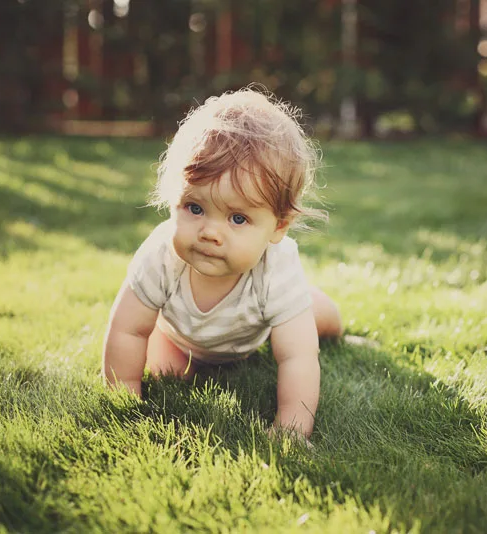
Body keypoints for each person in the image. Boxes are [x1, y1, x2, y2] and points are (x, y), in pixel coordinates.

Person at [102, 87, 342, 440]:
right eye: (195, 208)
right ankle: (191, 360)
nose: (210, 233)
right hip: (181, 338)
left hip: (254, 327)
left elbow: (297, 358)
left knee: (318, 319)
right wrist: (123, 400)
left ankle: (325, 317)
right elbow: (128, 329)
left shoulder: (277, 267)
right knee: (168, 372)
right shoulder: (160, 256)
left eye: (238, 219)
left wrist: (291, 429)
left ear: (278, 226)